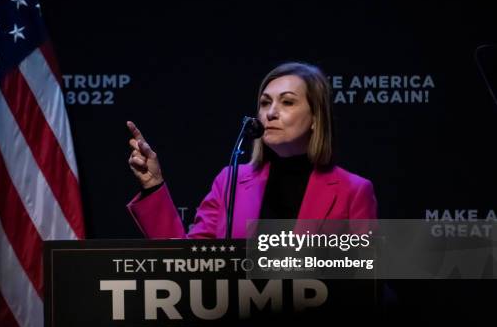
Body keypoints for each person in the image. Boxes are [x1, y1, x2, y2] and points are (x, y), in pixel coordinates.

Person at [126, 61, 377, 239]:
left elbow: (367, 278)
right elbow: (188, 263)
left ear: (315, 117)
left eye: (287, 102)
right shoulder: (230, 181)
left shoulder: (353, 190)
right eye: (265, 102)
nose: (270, 112)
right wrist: (154, 185)